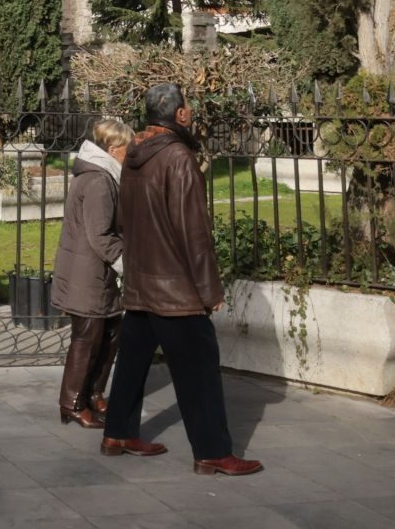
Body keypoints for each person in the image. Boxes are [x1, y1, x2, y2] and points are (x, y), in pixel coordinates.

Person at [98, 83, 263, 477]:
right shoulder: (177, 157)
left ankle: (117, 434)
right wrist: (209, 289)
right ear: (181, 114)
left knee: (133, 363)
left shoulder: (133, 156)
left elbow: (124, 221)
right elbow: (195, 231)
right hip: (175, 290)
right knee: (200, 370)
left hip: (140, 282)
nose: (191, 112)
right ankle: (213, 452)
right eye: (188, 107)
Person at [49, 116, 135, 427]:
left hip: (95, 273)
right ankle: (72, 402)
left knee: (110, 333)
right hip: (88, 275)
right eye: (128, 147)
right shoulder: (99, 181)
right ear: (113, 149)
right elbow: (100, 235)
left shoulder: (102, 175)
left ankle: (95, 393)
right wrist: (128, 265)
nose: (132, 152)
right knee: (87, 338)